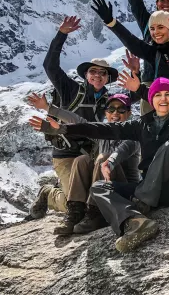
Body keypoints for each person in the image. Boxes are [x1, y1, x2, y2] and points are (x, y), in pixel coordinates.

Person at [32, 78, 169, 252]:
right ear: (152, 100)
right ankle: (134, 222)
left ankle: (140, 204)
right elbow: (103, 129)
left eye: (168, 95)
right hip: (149, 190)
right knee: (99, 187)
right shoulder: (142, 123)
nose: (163, 99)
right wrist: (65, 130)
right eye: (158, 95)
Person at [39, 15, 118, 217]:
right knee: (74, 206)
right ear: (86, 75)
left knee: (97, 198)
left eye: (103, 73)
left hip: (90, 155)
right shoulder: (71, 90)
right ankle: (49, 193)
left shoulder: (109, 101)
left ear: (108, 78)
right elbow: (50, 67)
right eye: (94, 72)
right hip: (66, 154)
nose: (98, 76)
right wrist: (61, 35)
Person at [28, 93, 140, 235]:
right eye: (111, 109)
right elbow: (79, 121)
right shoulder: (104, 132)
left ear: (129, 113)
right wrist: (47, 108)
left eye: (121, 109)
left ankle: (97, 213)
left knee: (102, 157)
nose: (115, 113)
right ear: (106, 112)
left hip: (124, 192)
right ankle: (76, 212)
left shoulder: (133, 134)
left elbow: (124, 150)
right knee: (82, 160)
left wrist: (108, 161)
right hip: (102, 189)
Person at [90, 0, 169, 113]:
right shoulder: (153, 52)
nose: (155, 32)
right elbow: (131, 41)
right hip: (163, 106)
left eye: (161, 27)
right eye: (152, 28)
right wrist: (111, 22)